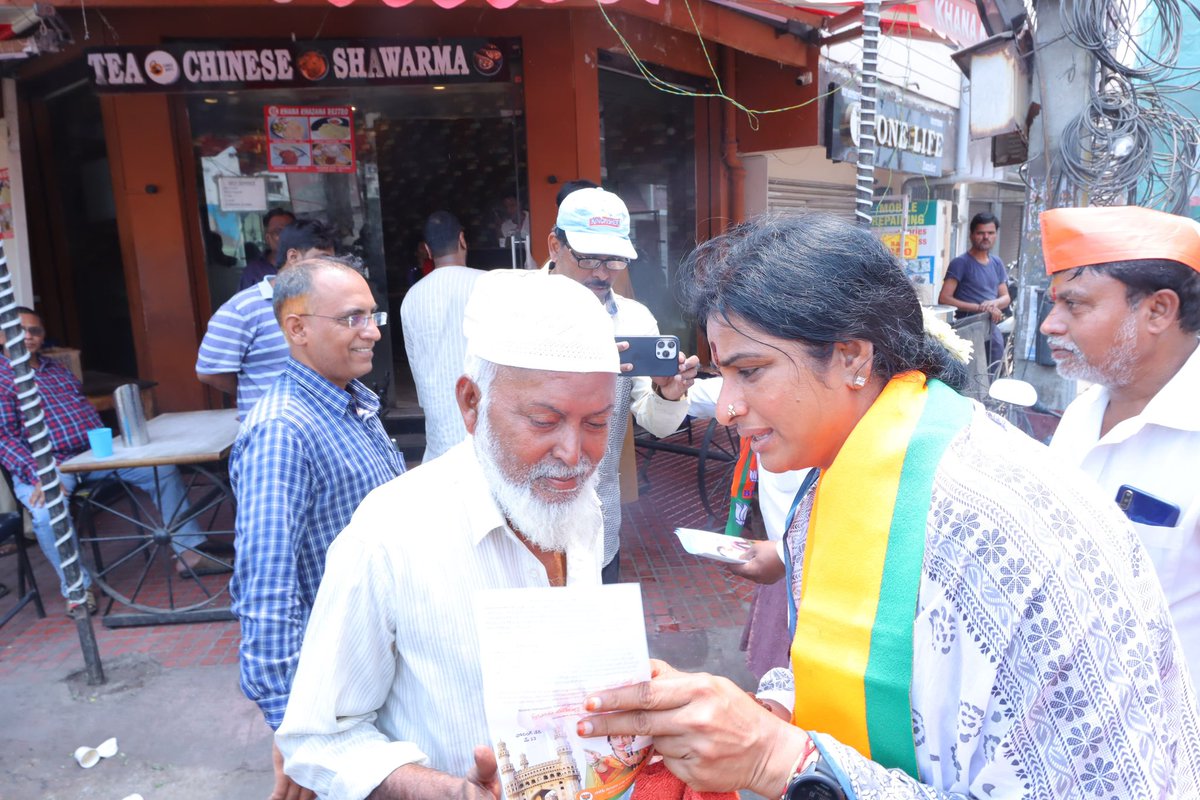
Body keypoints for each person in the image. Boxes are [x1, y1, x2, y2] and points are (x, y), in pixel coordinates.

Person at [577, 213, 1200, 798]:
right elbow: (838, 668)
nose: (730, 407)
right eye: (724, 375)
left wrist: (780, 759)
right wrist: (760, 716)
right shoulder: (841, 475)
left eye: (753, 371)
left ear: (852, 357)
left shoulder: (989, 526)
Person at [276, 269, 619, 799]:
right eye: (544, 421)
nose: (574, 455)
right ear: (470, 404)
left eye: (597, 423)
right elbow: (318, 740)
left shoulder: (581, 506)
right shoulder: (389, 536)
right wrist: (449, 792)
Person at [229, 257, 406, 800]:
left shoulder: (350, 403)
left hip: (378, 666)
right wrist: (295, 735)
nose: (372, 331)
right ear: (297, 328)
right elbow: (265, 590)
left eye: (372, 315)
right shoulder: (282, 430)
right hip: (334, 692)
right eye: (353, 318)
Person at [1040, 204, 1200, 687]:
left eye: (1075, 304)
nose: (1050, 324)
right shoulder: (1080, 414)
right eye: (1054, 303)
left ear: (1158, 310)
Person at [0, 308, 211, 614]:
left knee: (159, 469)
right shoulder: (3, 378)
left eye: (36, 331)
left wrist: (113, 444)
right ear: (3, 336)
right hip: (48, 466)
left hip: (91, 454)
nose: (29, 337)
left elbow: (83, 411)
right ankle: (78, 587)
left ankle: (188, 552)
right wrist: (39, 474)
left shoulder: (55, 369)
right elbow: (4, 438)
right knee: (48, 514)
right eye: (21, 331)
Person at [547, 187, 699, 582]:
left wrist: (669, 393)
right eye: (588, 258)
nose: (602, 271)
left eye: (614, 260)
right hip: (522, 520)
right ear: (554, 246)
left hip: (599, 516)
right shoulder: (514, 306)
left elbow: (659, 424)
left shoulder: (634, 319)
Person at [687, 376, 808, 678]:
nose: (726, 415)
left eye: (750, 370)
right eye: (726, 373)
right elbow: (695, 395)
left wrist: (785, 555)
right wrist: (668, 389)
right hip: (782, 563)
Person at [196, 218, 336, 418]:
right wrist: (259, 392)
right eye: (322, 259)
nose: (329, 268)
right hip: (271, 428)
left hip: (323, 423)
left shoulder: (326, 302)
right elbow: (210, 372)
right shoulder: (242, 308)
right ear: (293, 257)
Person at [400, 211, 485, 462]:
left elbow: (417, 374)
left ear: (427, 249)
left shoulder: (412, 298)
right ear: (462, 240)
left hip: (440, 439)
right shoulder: (489, 284)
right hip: (486, 435)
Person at [938, 211, 1010, 371]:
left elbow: (1005, 297)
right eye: (980, 233)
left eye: (990, 233)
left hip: (991, 328)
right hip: (967, 329)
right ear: (971, 235)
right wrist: (981, 308)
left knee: (994, 373)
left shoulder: (997, 263)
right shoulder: (960, 263)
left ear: (996, 235)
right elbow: (944, 298)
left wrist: (993, 303)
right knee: (973, 377)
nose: (986, 237)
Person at [239, 208, 296, 290]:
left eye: (290, 231)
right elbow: (244, 301)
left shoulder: (307, 265)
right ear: (268, 238)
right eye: (279, 232)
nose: (286, 236)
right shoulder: (253, 271)